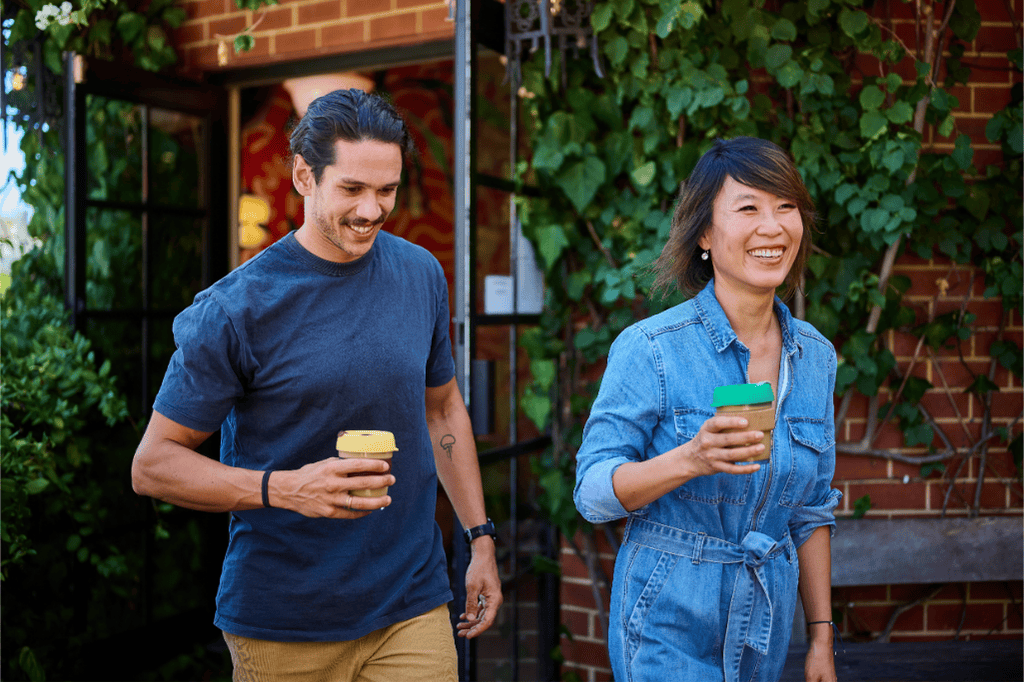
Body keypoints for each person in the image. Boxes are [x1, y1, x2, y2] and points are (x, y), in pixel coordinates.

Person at [132, 88, 502, 681]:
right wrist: (284, 489)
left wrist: (479, 537)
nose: (372, 210)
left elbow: (442, 411)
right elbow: (152, 465)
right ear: (304, 176)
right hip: (284, 621)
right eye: (352, 190)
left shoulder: (421, 274)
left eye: (387, 190)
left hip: (412, 603)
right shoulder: (236, 308)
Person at [574, 137, 841, 682]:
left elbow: (810, 512)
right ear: (704, 233)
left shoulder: (815, 356)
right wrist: (691, 458)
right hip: (666, 618)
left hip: (764, 626)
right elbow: (593, 493)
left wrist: (820, 640)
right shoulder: (652, 348)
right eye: (749, 208)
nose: (773, 227)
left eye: (785, 207)